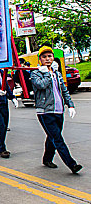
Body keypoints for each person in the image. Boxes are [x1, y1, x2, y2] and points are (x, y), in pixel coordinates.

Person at [31, 46, 82, 174]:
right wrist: (47, 73)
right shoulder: (36, 73)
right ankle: (72, 164)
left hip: (58, 110)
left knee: (52, 136)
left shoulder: (57, 73)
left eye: (49, 56)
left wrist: (70, 105)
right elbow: (41, 85)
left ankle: (47, 159)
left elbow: (64, 90)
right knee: (58, 138)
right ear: (40, 59)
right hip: (45, 111)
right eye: (44, 57)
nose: (47, 59)